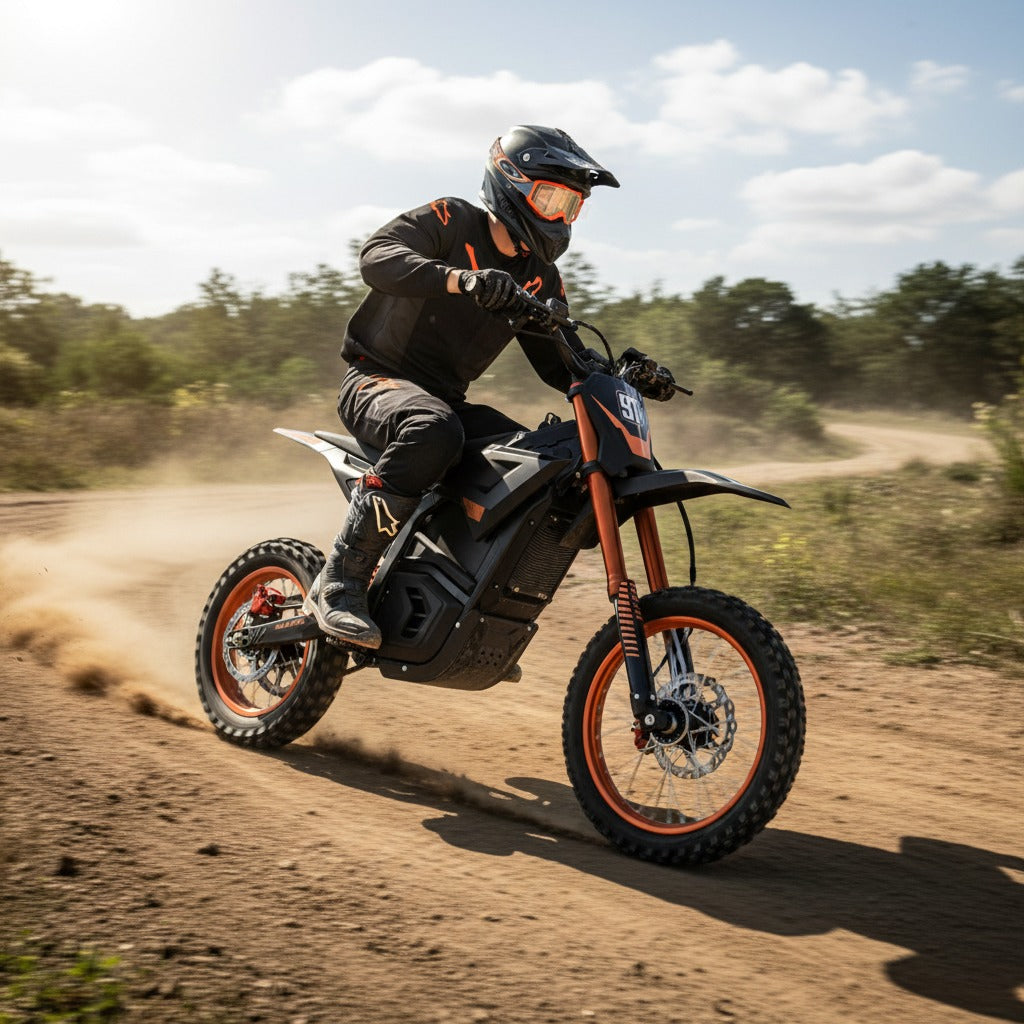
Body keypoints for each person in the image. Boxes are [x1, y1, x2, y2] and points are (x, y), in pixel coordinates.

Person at [305, 124, 619, 647]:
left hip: (445, 403)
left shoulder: (540, 278)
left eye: (572, 206)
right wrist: (462, 279)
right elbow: (376, 256)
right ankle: (340, 581)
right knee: (433, 431)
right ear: (511, 182)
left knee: (541, 467)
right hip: (375, 380)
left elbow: (560, 363)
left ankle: (465, 611)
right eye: (551, 198)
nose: (561, 217)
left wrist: (622, 375)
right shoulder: (452, 220)